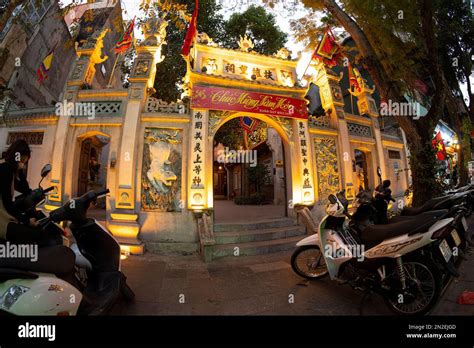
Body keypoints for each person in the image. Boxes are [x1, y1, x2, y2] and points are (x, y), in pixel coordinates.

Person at [0, 140, 76, 284]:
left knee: (34, 231)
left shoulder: (9, 170)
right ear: (17, 156)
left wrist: (21, 171)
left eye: (25, 161)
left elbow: (24, 189)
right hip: (2, 222)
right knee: (37, 234)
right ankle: (36, 267)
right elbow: (7, 204)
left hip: (5, 217)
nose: (23, 163)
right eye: (22, 160)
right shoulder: (4, 170)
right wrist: (25, 220)